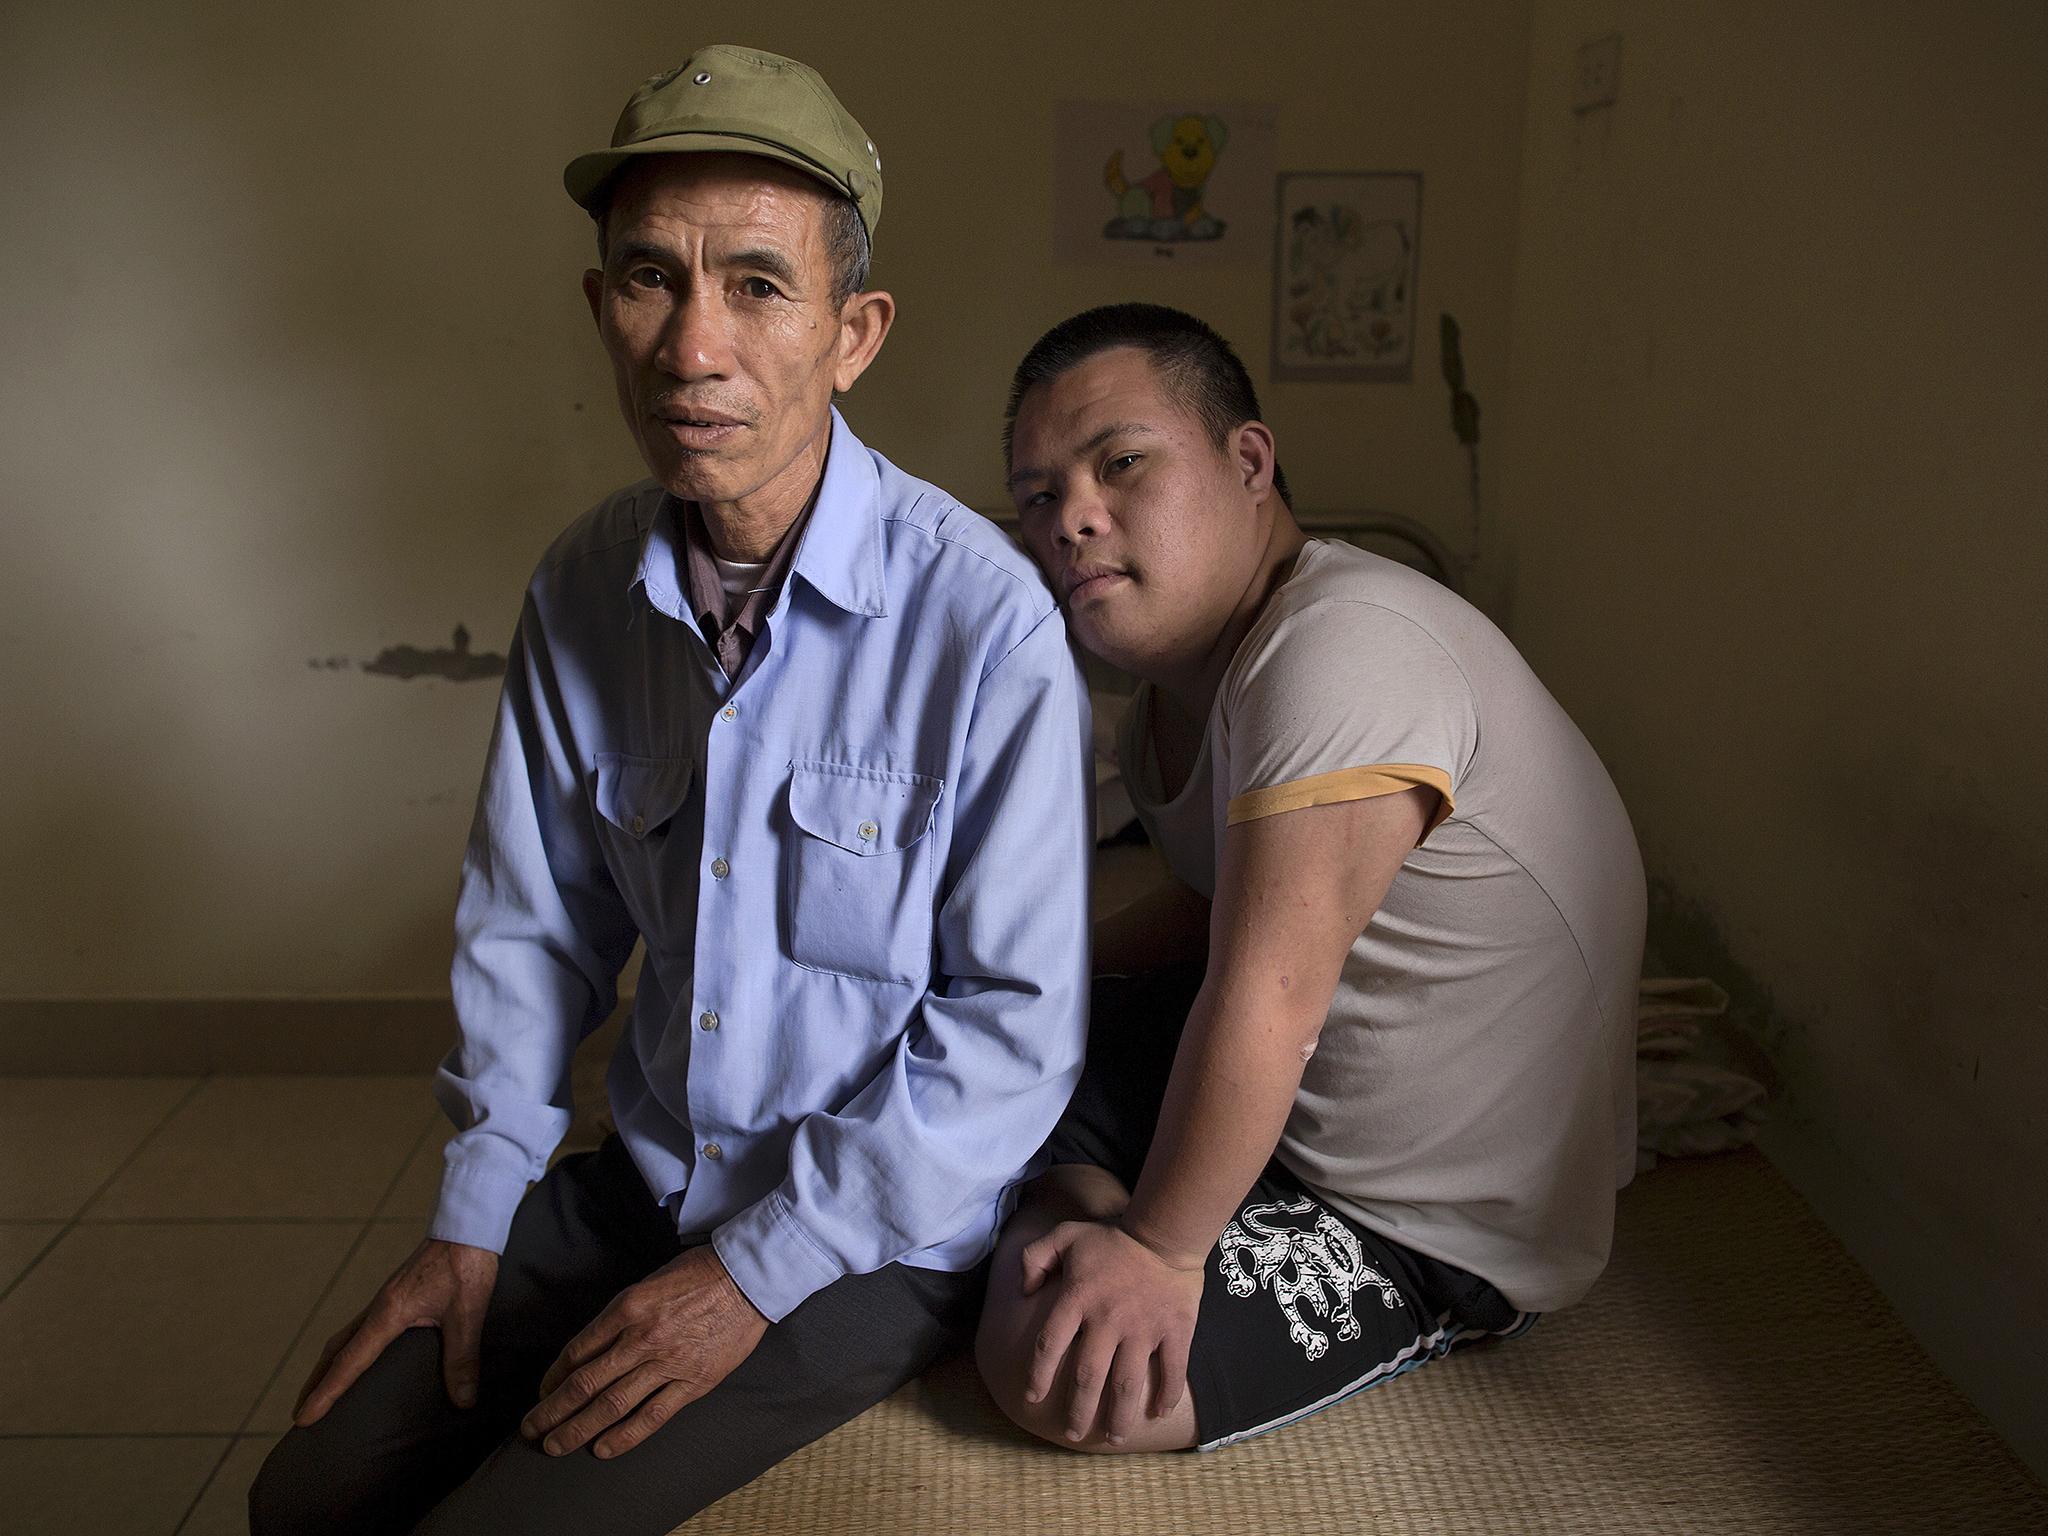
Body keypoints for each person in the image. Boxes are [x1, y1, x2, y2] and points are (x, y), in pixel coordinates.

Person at [251, 46, 1090, 1534]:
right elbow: (534, 932)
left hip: (866, 1233)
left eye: (759, 286)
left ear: (855, 331)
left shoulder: (983, 619)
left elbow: (1012, 1036)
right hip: (645, 1182)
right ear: (599, 308)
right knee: (308, 1495)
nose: (692, 346)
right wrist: (475, 1209)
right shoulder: (583, 586)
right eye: (650, 279)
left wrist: (745, 1280)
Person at [978, 303, 1645, 1453]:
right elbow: (1209, 909)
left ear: (1247, 463)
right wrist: (1014, 976)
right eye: (1038, 497)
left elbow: (1268, 997)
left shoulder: (1340, 647)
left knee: (1055, 1367)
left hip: (1426, 1213)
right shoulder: (1163, 711)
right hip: (1290, 1115)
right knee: (961, 1055)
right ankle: (1080, 1188)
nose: (1072, 519)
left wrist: (1156, 1250)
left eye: (1120, 463)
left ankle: (1093, 1201)